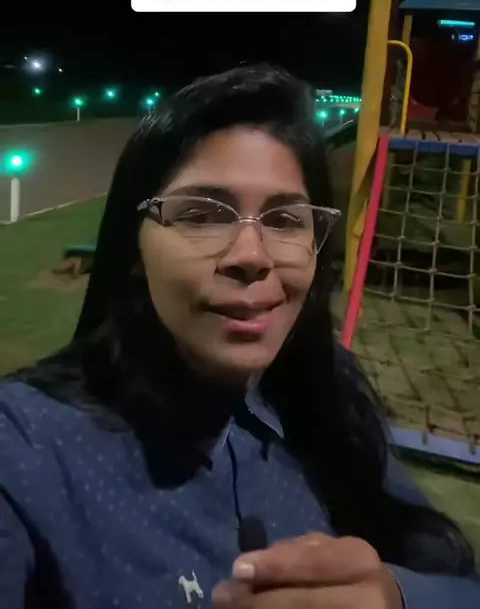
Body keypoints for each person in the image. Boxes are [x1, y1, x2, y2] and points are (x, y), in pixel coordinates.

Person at [0, 64, 478, 609]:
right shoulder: (25, 452)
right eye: (203, 215)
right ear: (133, 248)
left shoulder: (327, 386)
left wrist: (398, 595)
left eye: (285, 220)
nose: (251, 256)